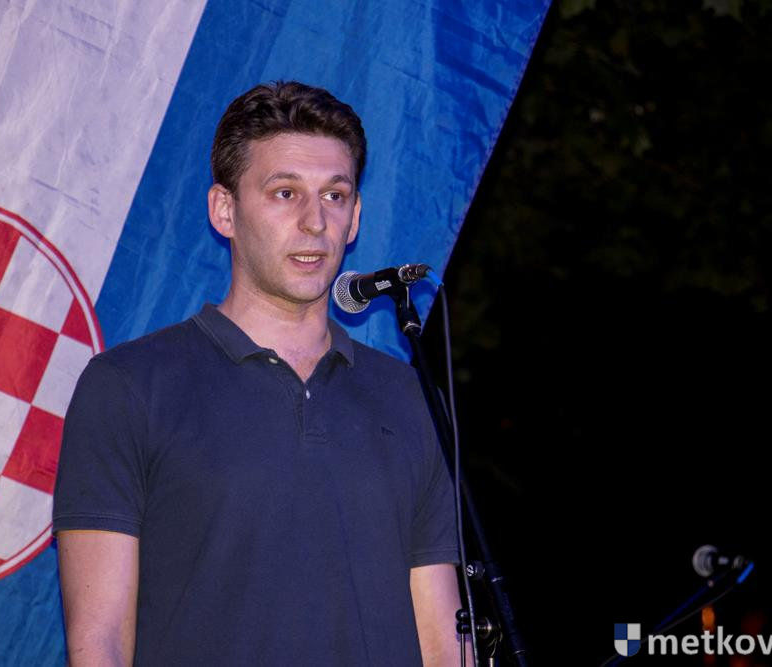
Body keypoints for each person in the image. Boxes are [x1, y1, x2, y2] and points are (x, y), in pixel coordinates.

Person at [53, 81, 466, 666]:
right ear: (225, 210)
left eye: (335, 195)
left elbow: (443, 640)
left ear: (355, 219)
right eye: (284, 193)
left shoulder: (409, 396)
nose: (314, 221)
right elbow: (99, 643)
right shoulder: (129, 385)